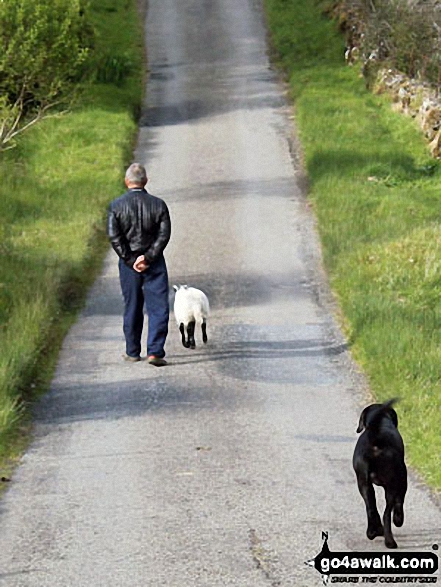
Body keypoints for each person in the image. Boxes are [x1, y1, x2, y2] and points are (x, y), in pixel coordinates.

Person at [107, 163, 171, 366]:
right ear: (145, 181)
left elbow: (114, 237)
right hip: (155, 262)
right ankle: (155, 352)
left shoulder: (116, 206)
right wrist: (149, 257)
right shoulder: (158, 204)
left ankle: (132, 351)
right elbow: (164, 234)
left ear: (126, 181)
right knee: (158, 306)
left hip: (129, 265)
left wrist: (130, 259)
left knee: (132, 306)